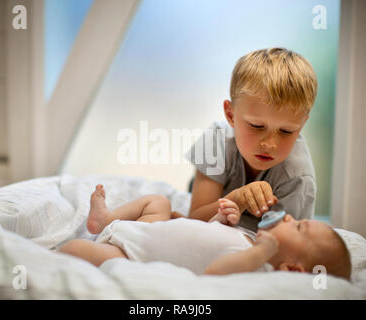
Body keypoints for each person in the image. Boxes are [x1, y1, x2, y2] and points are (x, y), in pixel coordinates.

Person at [58, 185, 351, 280]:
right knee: (159, 201)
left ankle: (53, 256)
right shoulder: (249, 242)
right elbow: (206, 235)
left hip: (131, 253)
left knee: (76, 252)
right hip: (150, 228)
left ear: (292, 269)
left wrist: (261, 253)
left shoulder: (254, 270)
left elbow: (213, 273)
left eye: (298, 226)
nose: (289, 216)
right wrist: (223, 219)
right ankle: (107, 218)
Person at [183, 48, 318, 232]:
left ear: (301, 125)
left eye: (286, 131)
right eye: (256, 126)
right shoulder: (216, 141)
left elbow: (286, 245)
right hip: (213, 196)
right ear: (230, 115)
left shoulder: (297, 177)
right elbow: (195, 220)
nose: (270, 143)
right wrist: (238, 199)